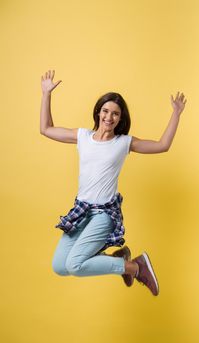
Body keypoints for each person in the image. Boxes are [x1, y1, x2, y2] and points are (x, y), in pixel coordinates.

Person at [40, 70, 187, 296]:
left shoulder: (123, 143)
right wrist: (46, 94)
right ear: (98, 112)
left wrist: (176, 113)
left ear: (120, 119)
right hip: (82, 211)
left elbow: (162, 145)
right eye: (106, 111)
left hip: (104, 214)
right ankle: (120, 259)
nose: (109, 117)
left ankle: (135, 267)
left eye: (115, 114)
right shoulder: (82, 137)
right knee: (60, 266)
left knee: (75, 265)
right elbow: (46, 129)